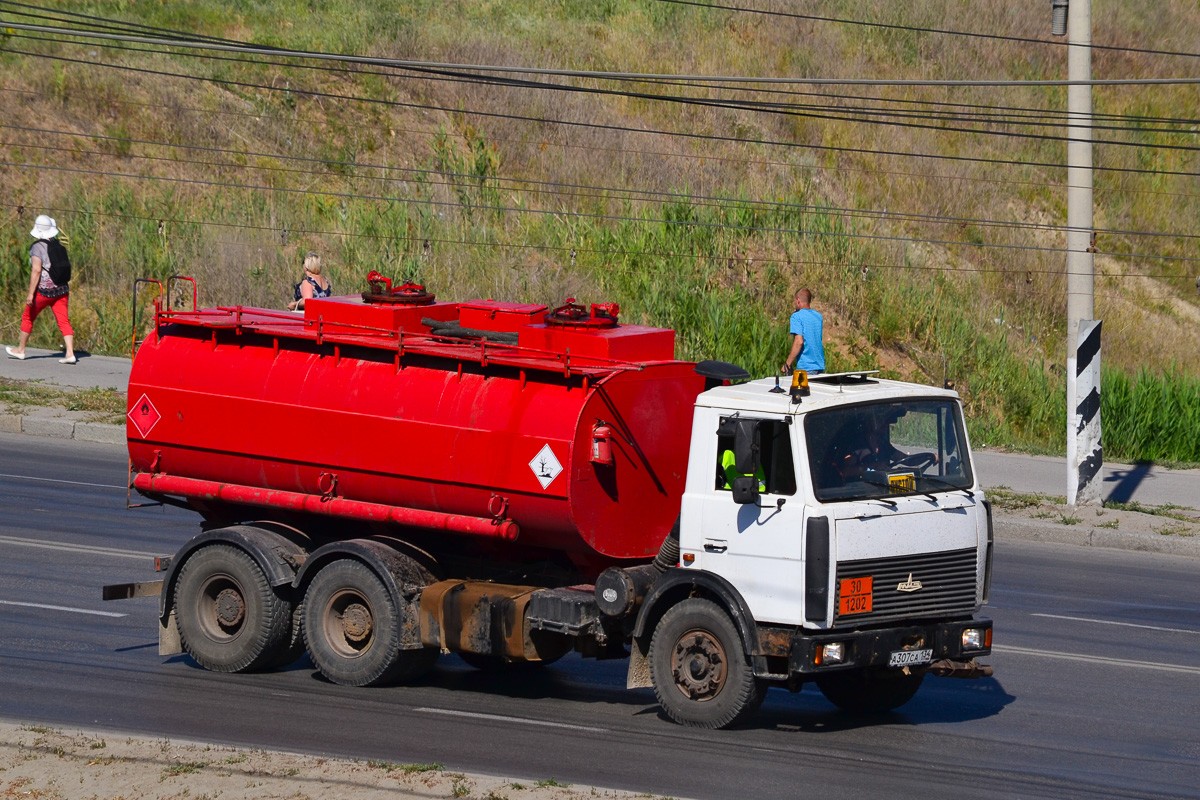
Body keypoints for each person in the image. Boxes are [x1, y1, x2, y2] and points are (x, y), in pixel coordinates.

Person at [6, 214, 76, 364]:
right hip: (62, 290)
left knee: (28, 317)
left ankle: (21, 350)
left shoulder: (37, 248)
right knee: (64, 320)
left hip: (44, 292)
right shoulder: (58, 245)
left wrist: (31, 294)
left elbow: (36, 270)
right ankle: (70, 353)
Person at [780, 287, 824, 375]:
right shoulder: (818, 316)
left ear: (798, 301)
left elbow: (799, 341)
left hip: (806, 367)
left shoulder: (796, 317)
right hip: (820, 366)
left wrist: (788, 363)